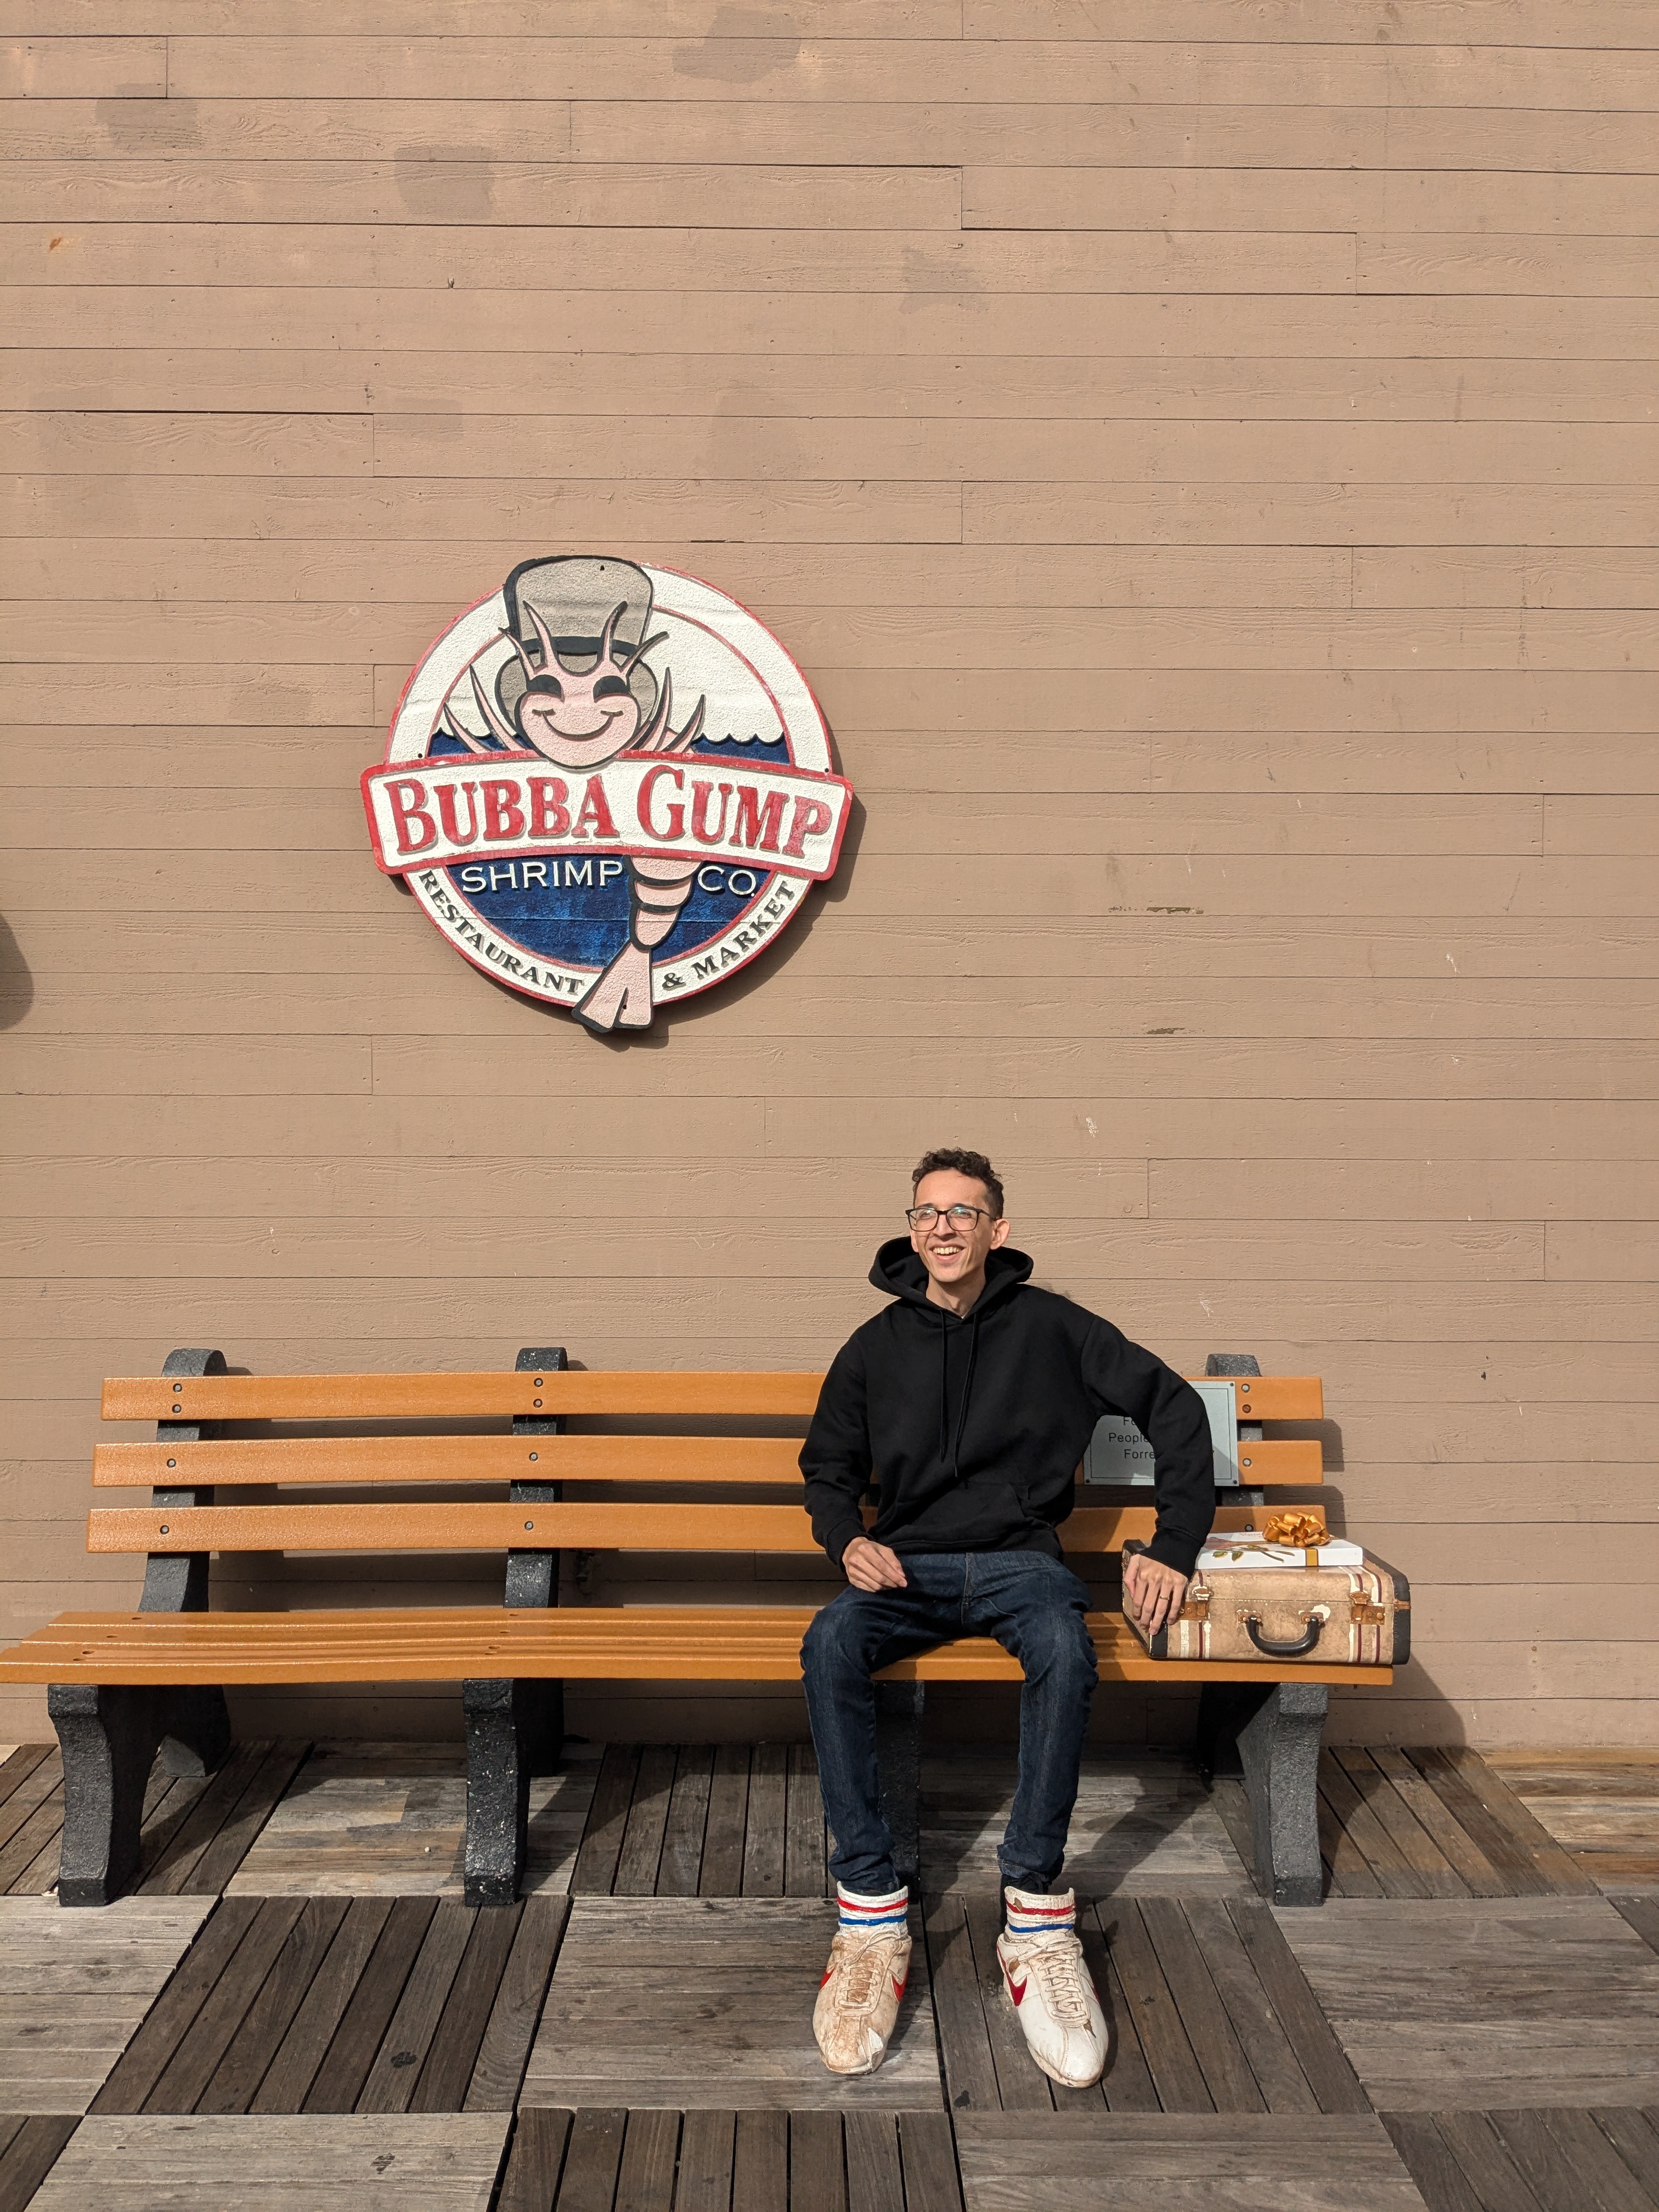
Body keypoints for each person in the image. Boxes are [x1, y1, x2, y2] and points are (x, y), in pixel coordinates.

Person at [799, 1147, 1215, 2086]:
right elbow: (826, 1467)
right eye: (926, 1213)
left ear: (998, 1229)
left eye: (962, 1211)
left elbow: (1176, 1409)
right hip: (907, 1565)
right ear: (912, 1230)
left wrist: (1174, 1544)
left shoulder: (1056, 1330)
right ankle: (869, 1913)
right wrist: (845, 1542)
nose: (942, 1227)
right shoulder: (873, 1346)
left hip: (1022, 1565)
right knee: (830, 1642)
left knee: (1068, 1650)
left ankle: (1034, 1912)